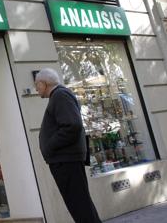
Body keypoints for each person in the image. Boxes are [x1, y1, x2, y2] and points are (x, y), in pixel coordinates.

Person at [35, 68, 101, 223]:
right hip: (65, 160)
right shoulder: (59, 96)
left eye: (37, 84)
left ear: (44, 83)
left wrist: (50, 146)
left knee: (79, 205)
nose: (36, 88)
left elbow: (73, 125)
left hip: (66, 161)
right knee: (79, 204)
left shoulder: (60, 95)